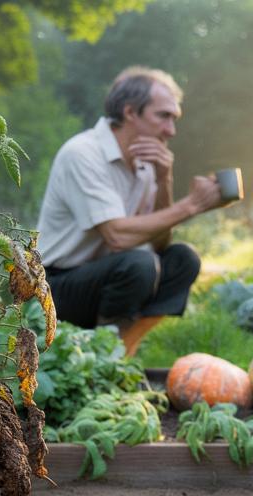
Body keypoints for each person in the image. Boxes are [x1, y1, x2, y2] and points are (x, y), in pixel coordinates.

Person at [35, 66, 226, 357]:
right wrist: (193, 205)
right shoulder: (83, 153)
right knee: (140, 263)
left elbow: (160, 243)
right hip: (55, 287)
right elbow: (117, 236)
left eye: (174, 119)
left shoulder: (146, 164)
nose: (171, 131)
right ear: (130, 112)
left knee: (182, 259)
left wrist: (165, 181)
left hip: (110, 277)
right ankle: (104, 356)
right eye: (163, 116)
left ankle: (120, 352)